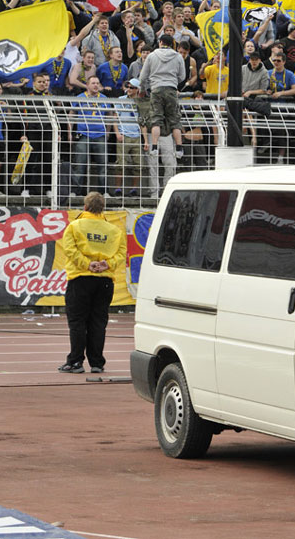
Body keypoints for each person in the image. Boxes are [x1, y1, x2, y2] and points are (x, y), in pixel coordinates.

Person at [58, 191, 126, 374]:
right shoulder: (114, 230)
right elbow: (121, 254)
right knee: (98, 322)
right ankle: (97, 363)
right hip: (105, 280)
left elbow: (70, 250)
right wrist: (107, 264)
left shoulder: (75, 226)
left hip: (80, 278)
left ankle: (75, 362)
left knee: (78, 321)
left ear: (85, 207)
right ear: (103, 209)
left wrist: (88, 264)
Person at [138, 33, 185, 157]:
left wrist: (143, 88)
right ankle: (179, 148)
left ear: (160, 42)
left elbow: (143, 77)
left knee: (156, 119)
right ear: (171, 44)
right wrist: (173, 81)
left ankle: (154, 146)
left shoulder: (151, 56)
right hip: (171, 89)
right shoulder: (178, 56)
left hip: (156, 89)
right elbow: (182, 76)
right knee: (174, 119)